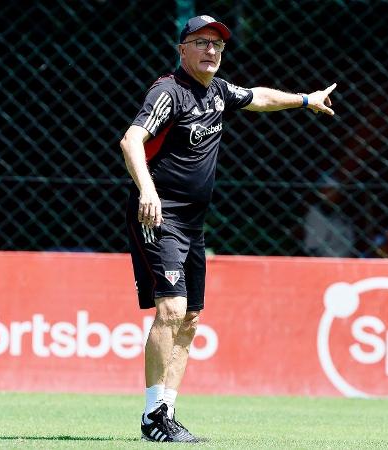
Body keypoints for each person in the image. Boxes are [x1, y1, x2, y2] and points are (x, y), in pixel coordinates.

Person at [120, 15, 336, 443]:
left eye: (217, 44)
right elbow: (131, 140)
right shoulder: (169, 92)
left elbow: (258, 98)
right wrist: (147, 190)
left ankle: (167, 412)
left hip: (194, 223)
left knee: (192, 318)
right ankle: (151, 417)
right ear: (182, 49)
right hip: (159, 216)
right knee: (171, 311)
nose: (211, 51)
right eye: (201, 42)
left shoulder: (217, 92)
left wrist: (306, 100)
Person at [303, 172, 355, 257]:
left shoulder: (341, 214)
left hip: (345, 262)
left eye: (334, 190)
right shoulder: (315, 214)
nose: (331, 194)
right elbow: (312, 247)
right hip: (325, 263)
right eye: (327, 190)